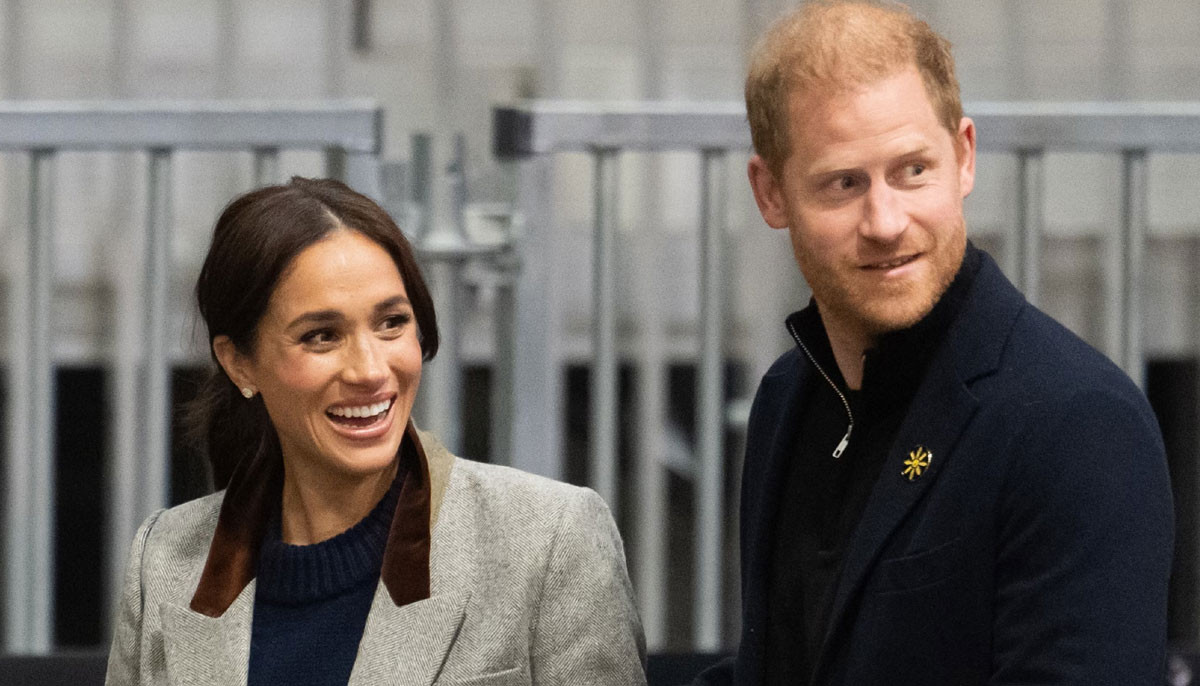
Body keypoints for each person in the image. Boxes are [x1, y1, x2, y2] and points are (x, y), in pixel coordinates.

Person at [697, 2, 1173, 685]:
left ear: (964, 156)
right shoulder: (786, 397)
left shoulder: (1077, 424)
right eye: (844, 184)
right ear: (770, 194)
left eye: (912, 170)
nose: (885, 221)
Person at [105, 177, 647, 685]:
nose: (369, 370)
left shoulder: (550, 540)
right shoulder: (164, 559)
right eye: (321, 335)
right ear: (239, 364)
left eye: (392, 323)